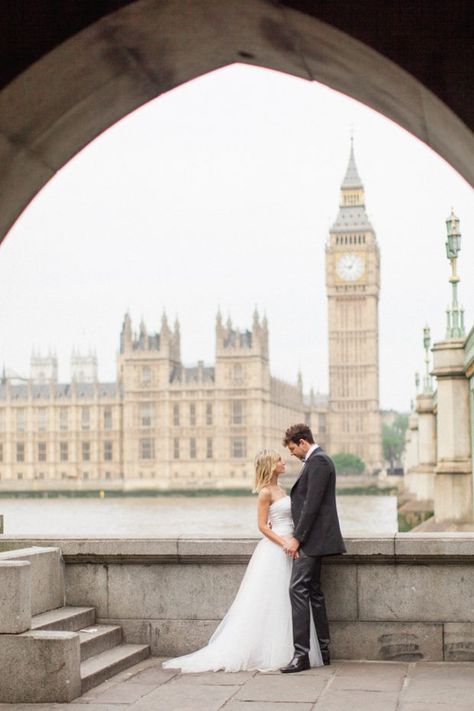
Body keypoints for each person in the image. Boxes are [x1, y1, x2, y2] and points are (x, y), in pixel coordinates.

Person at [162, 449, 322, 672]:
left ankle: (288, 650)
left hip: (290, 547)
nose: (283, 461)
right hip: (277, 549)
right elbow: (262, 526)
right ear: (270, 465)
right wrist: (284, 542)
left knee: (286, 603)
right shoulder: (265, 492)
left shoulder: (282, 489)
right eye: (278, 459)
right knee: (273, 599)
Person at [280, 423, 346, 673]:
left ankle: (301, 655)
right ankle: (323, 650)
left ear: (303, 442)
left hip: (312, 540)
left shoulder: (318, 462)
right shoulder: (317, 461)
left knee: (297, 589)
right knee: (314, 592)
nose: (292, 454)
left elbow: (312, 506)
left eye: (292, 448)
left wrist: (297, 538)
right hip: (315, 539)